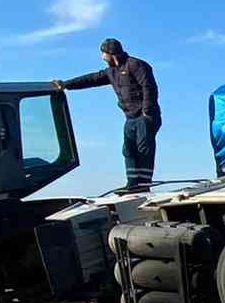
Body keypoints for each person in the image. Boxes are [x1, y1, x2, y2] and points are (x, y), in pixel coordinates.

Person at [54, 38, 160, 192]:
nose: (102, 58)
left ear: (112, 54)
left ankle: (143, 185)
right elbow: (91, 79)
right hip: (130, 117)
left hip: (145, 116)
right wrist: (66, 84)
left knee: (144, 149)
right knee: (128, 150)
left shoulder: (136, 65)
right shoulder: (112, 71)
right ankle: (133, 183)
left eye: (103, 54)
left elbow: (149, 88)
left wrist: (147, 113)